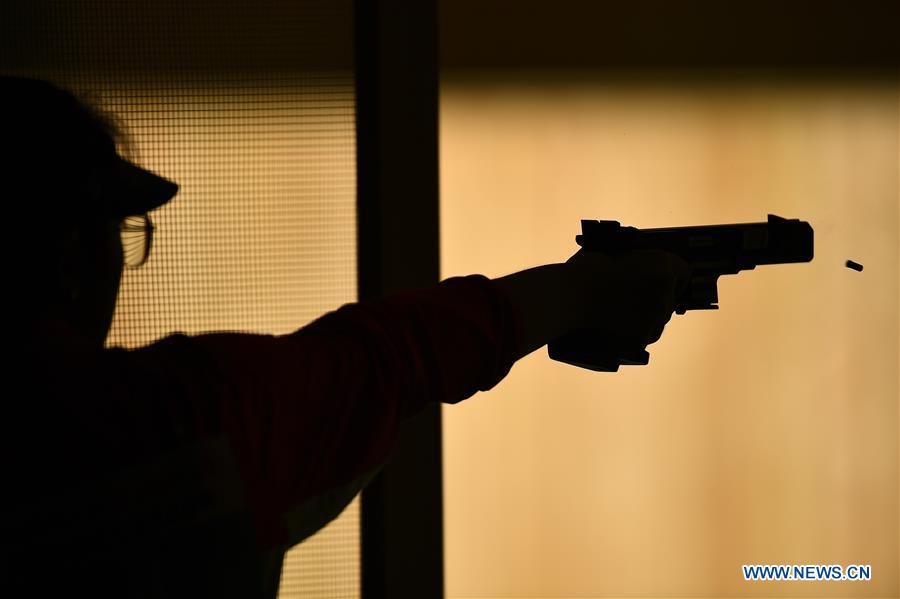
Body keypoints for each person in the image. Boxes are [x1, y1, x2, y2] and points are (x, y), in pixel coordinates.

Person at [0, 76, 690, 597]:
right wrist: (575, 294)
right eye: (122, 233)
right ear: (69, 255)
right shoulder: (184, 414)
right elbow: (388, 361)